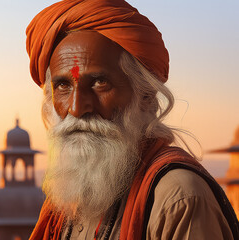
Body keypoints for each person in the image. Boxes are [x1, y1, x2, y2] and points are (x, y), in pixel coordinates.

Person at [25, 0, 239, 239]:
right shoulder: (70, 197)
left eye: (99, 83)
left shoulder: (179, 198)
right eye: (63, 85)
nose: (76, 108)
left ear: (145, 96)